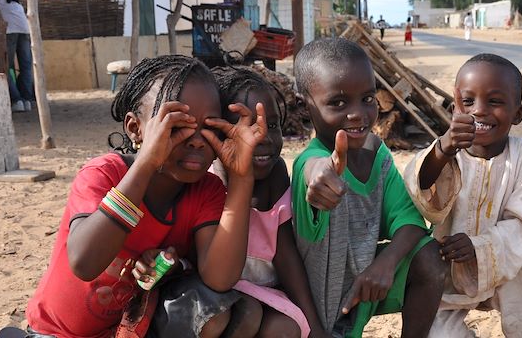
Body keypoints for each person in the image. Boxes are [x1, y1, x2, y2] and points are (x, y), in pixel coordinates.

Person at [23, 55, 267, 338]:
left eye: (209, 126)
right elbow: (84, 262)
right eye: (177, 126)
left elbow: (220, 278)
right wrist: (146, 164)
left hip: (131, 330)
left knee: (231, 310)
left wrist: (240, 178)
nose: (197, 139)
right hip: (56, 333)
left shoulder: (206, 191)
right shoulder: (104, 174)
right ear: (135, 129)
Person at [292, 37, 446, 337]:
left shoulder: (377, 153)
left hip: (364, 291)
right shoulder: (310, 161)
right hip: (314, 314)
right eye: (338, 102)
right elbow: (312, 172)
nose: (358, 114)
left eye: (367, 98)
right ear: (304, 104)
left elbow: (410, 221)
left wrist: (385, 264)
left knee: (429, 257)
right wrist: (319, 178)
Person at [404, 53, 522, 337]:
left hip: (505, 267)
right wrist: (443, 150)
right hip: (447, 272)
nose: (479, 111)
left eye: (494, 102)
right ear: (455, 106)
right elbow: (420, 188)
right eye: (468, 102)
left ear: (517, 114)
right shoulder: (445, 151)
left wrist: (480, 247)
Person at [208, 66, 328, 338]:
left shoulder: (275, 174)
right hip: (218, 292)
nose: (263, 139)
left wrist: (316, 328)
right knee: (247, 314)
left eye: (271, 126)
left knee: (286, 329)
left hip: (266, 290)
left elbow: (284, 254)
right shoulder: (210, 178)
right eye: (248, 128)